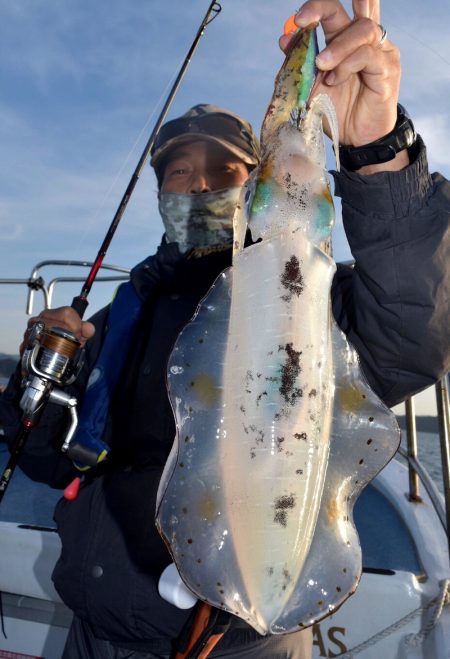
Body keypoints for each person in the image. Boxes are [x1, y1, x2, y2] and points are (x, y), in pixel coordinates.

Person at [1, 0, 450, 657]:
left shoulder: (312, 296)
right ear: (159, 194)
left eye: (224, 170)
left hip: (242, 639)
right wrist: (43, 377)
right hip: (100, 628)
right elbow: (43, 455)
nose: (197, 184)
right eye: (178, 173)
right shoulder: (121, 315)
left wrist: (378, 154)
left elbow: (417, 330)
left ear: (254, 188)